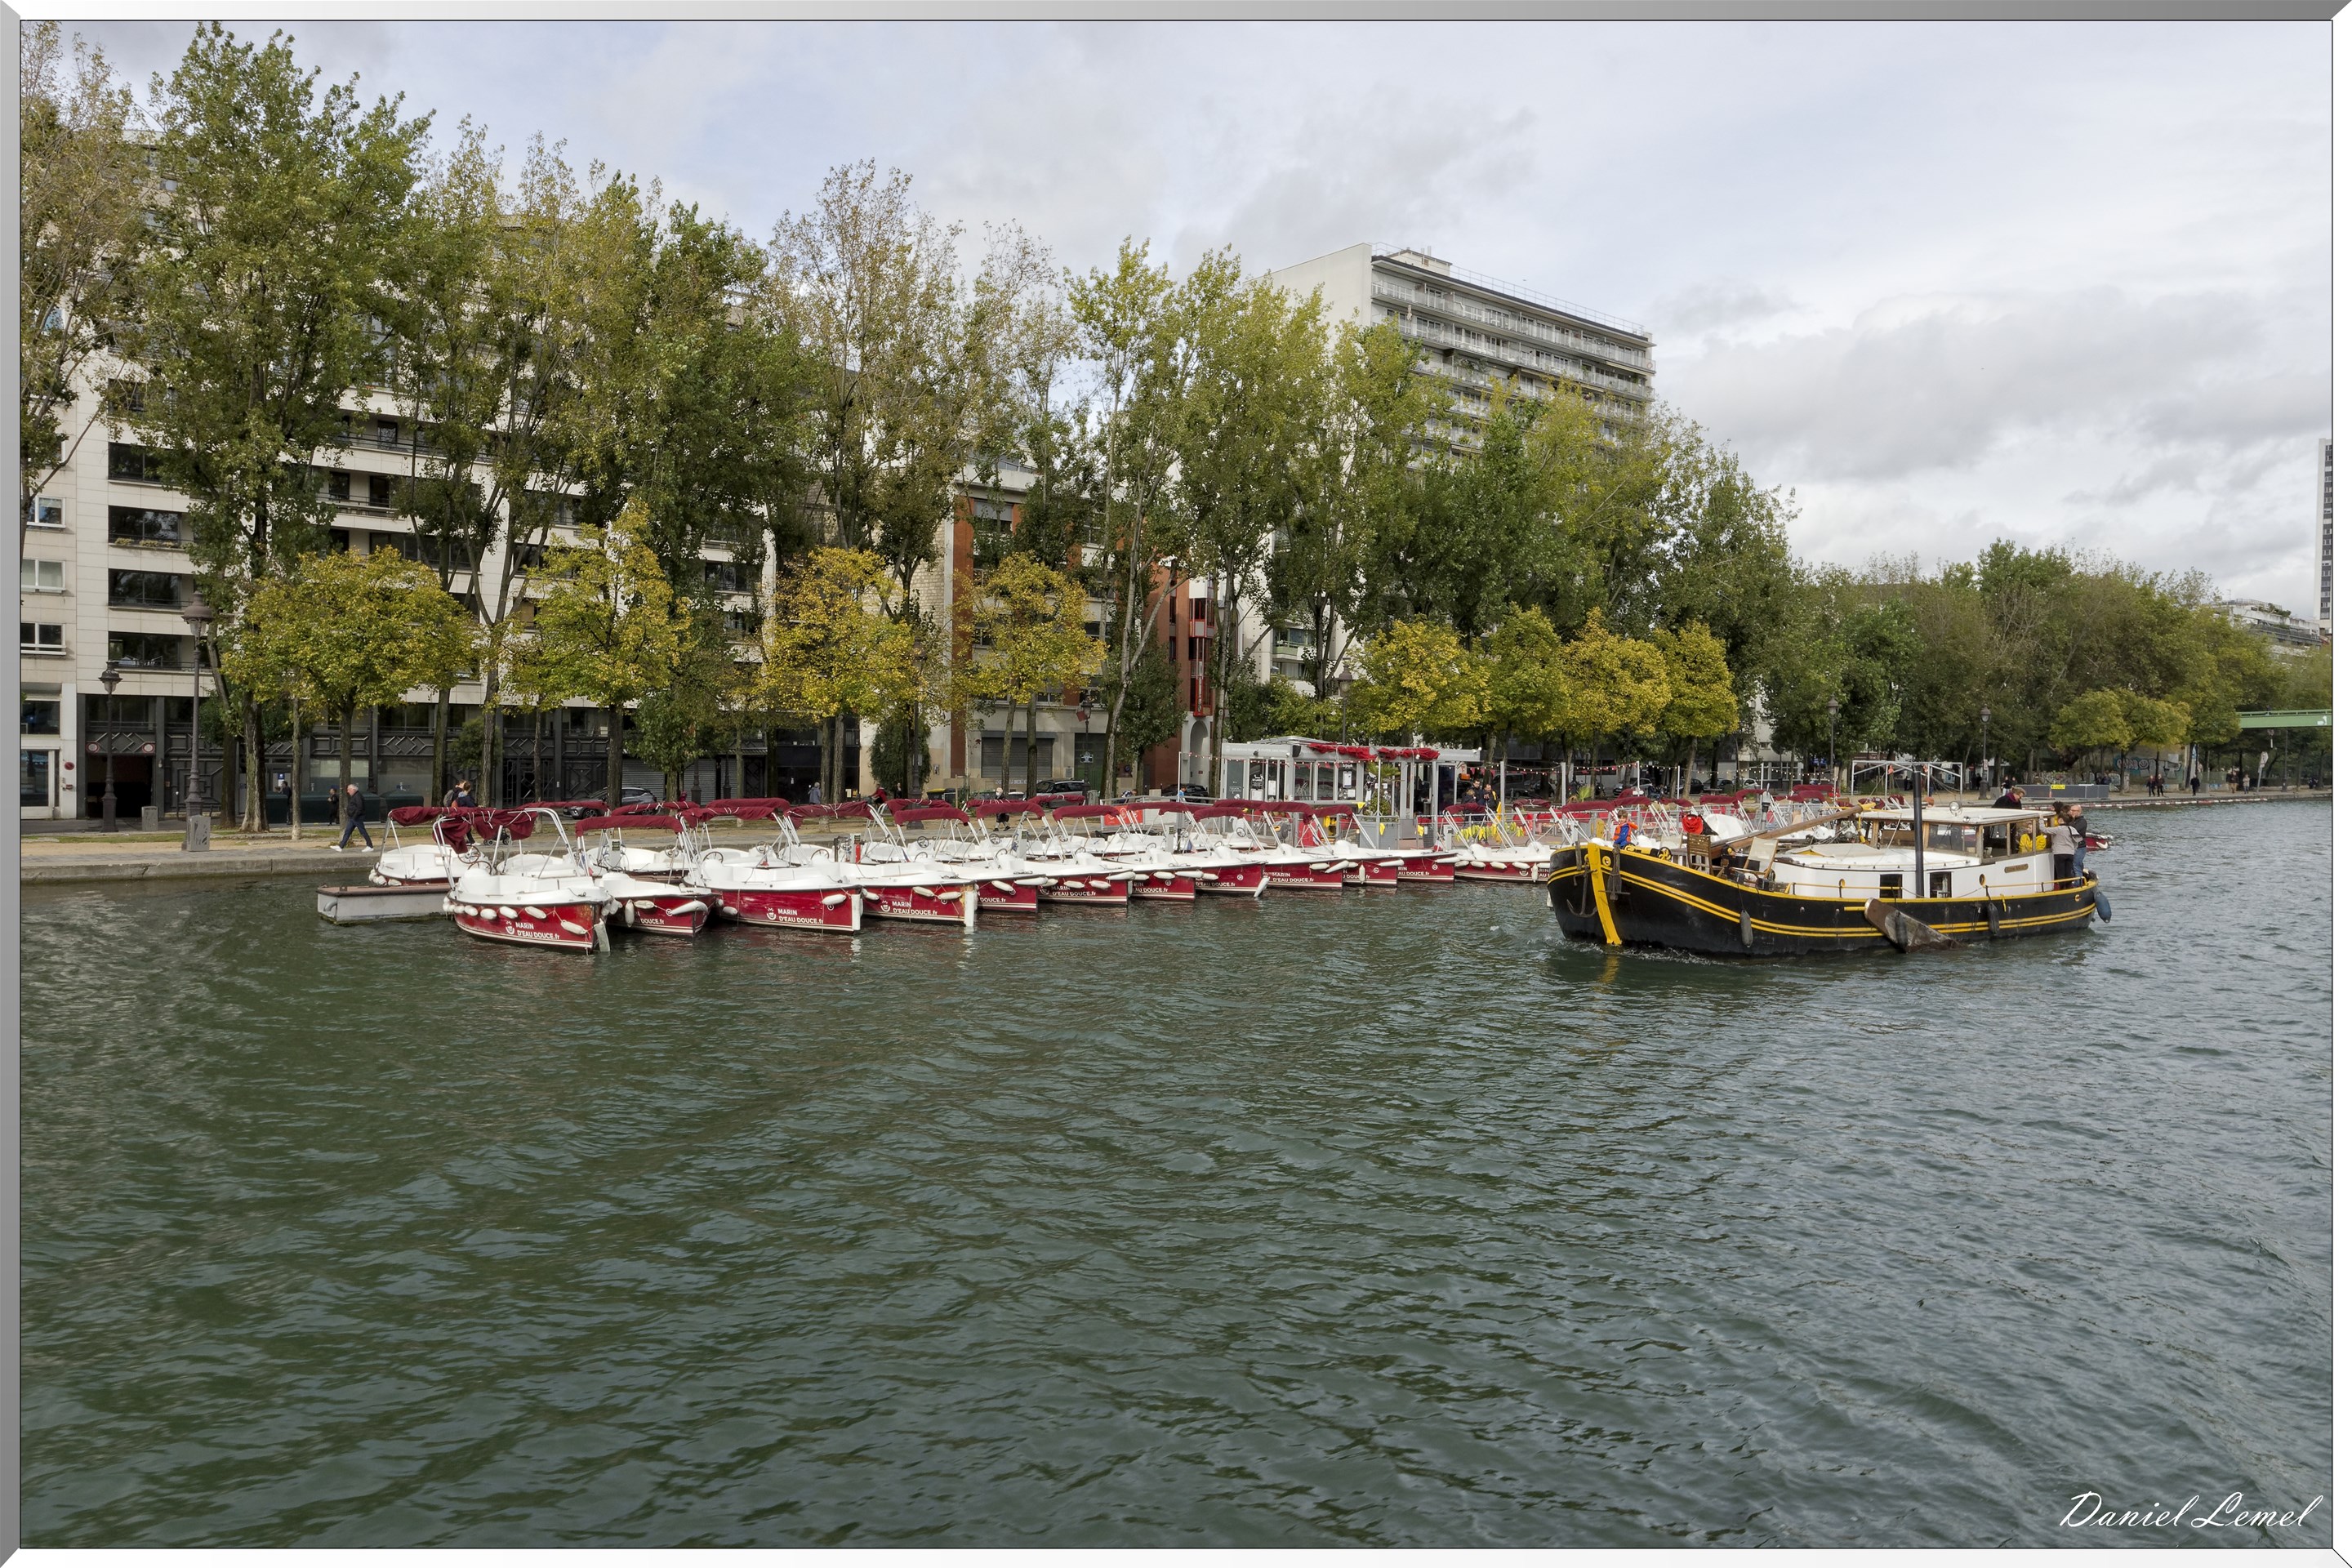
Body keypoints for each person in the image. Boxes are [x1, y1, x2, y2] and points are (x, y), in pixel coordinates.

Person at [334, 782, 375, 852]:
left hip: (357, 818)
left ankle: (370, 846)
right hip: (353, 818)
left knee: (362, 831)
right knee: (348, 831)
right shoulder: (355, 796)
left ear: (353, 790)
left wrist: (355, 816)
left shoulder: (357, 796)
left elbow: (360, 807)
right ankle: (341, 846)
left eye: (348, 790)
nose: (348, 791)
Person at [2046, 809, 2077, 883]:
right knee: (2068, 873)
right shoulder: (2072, 829)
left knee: (2061, 874)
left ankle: (2062, 888)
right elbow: (2077, 840)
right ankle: (2069, 887)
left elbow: (2044, 829)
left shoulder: (2057, 829)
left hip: (2059, 853)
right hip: (2070, 853)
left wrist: (2041, 819)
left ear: (2060, 820)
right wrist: (2073, 849)